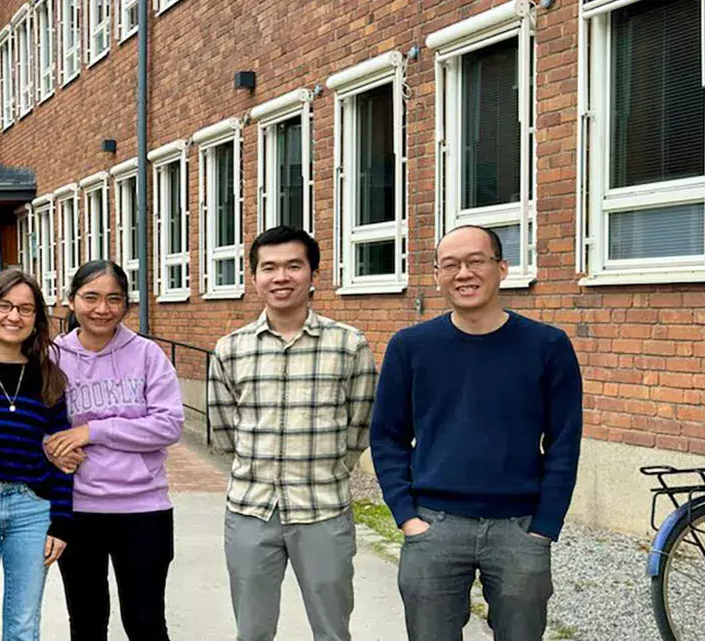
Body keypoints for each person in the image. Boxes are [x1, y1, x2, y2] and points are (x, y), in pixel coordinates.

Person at [370, 225, 583, 641]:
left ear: (501, 268)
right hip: (434, 526)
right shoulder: (410, 347)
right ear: (436, 275)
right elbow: (387, 437)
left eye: (475, 261)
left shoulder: (547, 346)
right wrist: (407, 517)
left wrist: (545, 526)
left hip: (520, 528)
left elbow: (564, 442)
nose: (463, 273)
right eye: (450, 264)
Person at [205, 226, 377, 641]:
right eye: (269, 268)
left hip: (323, 509)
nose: (281, 277)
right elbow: (224, 430)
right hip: (251, 510)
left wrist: (329, 468)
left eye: (293, 266)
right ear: (254, 277)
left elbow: (360, 424)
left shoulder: (349, 345)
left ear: (313, 274)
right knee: (252, 630)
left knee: (332, 629)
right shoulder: (230, 349)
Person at [45, 259, 185, 641]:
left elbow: (169, 424)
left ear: (126, 304)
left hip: (143, 510)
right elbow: (35, 425)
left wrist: (93, 430)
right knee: (87, 622)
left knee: (145, 622)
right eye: (90, 297)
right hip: (78, 510)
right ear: (71, 301)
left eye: (113, 298)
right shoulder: (53, 357)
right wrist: (50, 447)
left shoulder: (147, 354)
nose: (102, 309)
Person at [0, 269, 79, 641]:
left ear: (37, 320)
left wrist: (61, 521)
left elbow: (64, 456)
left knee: (24, 624)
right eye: (4, 305)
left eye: (26, 309)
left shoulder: (49, 377)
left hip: (32, 509)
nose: (14, 316)